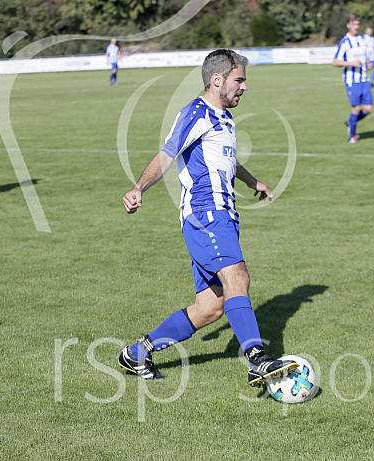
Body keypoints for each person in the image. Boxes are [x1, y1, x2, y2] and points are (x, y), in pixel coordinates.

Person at [118, 49, 298, 387]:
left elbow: (227, 161)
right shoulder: (195, 113)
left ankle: (136, 353)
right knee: (238, 278)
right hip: (205, 214)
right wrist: (139, 187)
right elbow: (168, 154)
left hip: (223, 216)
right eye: (239, 80)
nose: (244, 87)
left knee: (211, 308)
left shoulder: (224, 117)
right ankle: (256, 359)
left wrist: (251, 181)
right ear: (217, 80)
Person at [333, 14, 374, 144]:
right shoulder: (345, 42)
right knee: (356, 108)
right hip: (352, 80)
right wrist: (350, 63)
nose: (356, 27)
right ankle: (352, 136)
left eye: (358, 24)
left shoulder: (362, 40)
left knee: (368, 109)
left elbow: (365, 57)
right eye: (353, 24)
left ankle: (351, 121)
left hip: (364, 79)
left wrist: (368, 63)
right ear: (348, 25)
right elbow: (335, 62)